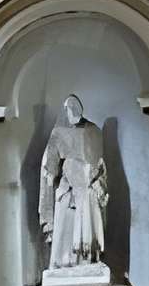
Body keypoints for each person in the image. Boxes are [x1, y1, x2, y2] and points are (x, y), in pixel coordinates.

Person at [38, 94, 107, 271]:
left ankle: (85, 260)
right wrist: (52, 174)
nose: (68, 113)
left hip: (87, 187)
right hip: (68, 187)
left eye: (68, 109)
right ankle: (64, 262)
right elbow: (51, 162)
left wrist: (92, 179)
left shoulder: (92, 131)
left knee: (85, 220)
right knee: (66, 223)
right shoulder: (61, 132)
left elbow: (98, 163)